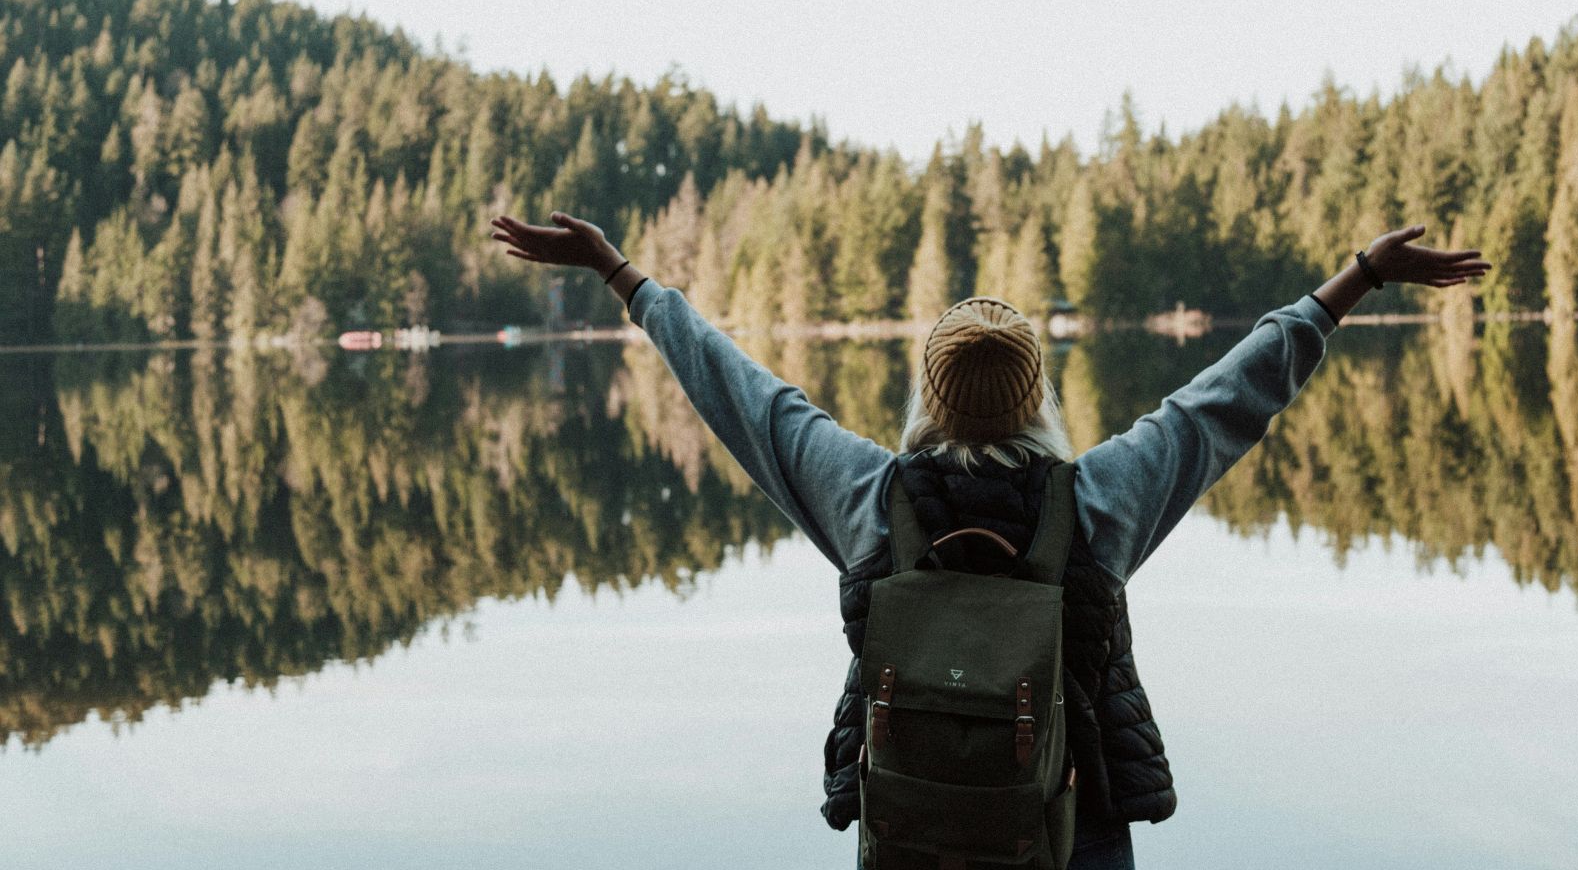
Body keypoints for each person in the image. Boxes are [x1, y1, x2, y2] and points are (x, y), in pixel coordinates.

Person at [490, 210, 1488, 868]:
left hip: (915, 830)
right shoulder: (1099, 501)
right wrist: (1359, 278)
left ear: (926, 396)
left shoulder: (869, 500)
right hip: (1069, 834)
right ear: (1037, 399)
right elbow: (1228, 397)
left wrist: (619, 273)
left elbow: (740, 394)